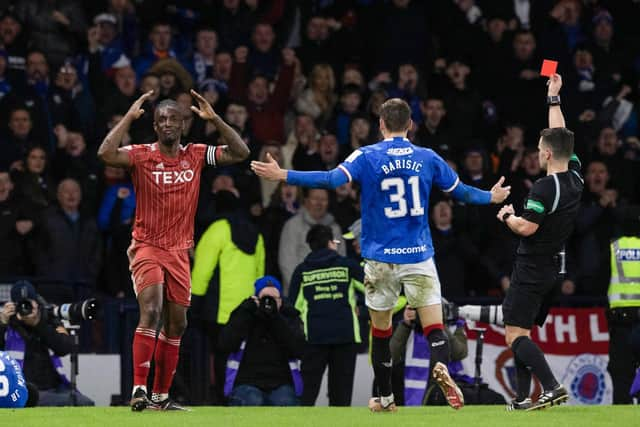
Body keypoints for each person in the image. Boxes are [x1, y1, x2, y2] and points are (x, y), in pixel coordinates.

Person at [252, 97, 510, 412]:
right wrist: (491, 196)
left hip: (380, 259)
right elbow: (462, 193)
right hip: (418, 254)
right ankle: (440, 366)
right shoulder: (427, 157)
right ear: (411, 125)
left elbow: (332, 179)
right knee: (434, 326)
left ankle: (386, 398)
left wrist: (284, 175)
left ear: (382, 125)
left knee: (382, 331)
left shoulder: (367, 155)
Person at [97, 88, 249, 411]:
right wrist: (127, 117)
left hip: (180, 251)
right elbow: (106, 153)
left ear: (183, 124)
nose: (167, 123)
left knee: (177, 324)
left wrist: (215, 119)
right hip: (147, 245)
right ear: (154, 126)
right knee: (150, 310)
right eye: (161, 119)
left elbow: (241, 153)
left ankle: (161, 397)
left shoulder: (195, 154)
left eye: (173, 119)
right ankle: (139, 389)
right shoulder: (141, 154)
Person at [496, 73, 583, 411]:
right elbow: (562, 137)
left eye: (538, 150)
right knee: (523, 332)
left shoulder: (544, 188)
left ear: (546, 155)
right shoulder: (575, 177)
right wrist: (554, 98)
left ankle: (551, 386)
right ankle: (520, 399)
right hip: (552, 268)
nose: (537, 153)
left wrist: (506, 216)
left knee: (515, 336)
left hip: (532, 266)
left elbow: (527, 228)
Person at [288, 225, 364, 406]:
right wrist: (362, 307)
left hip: (314, 338)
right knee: (341, 397)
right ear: (330, 243)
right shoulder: (347, 266)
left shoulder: (302, 271)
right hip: (345, 337)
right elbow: (373, 291)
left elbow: (293, 307)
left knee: (307, 395)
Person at [0, 281, 94, 406]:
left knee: (85, 403)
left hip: (54, 388)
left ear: (37, 303)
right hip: (23, 390)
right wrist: (2, 324)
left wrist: (38, 324)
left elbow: (65, 347)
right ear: (12, 306)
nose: (25, 308)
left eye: (29, 303)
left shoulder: (48, 319)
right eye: (21, 305)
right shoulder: (8, 324)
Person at [218, 276, 305, 406]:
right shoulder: (245, 313)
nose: (268, 303)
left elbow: (298, 349)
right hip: (246, 382)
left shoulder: (289, 316)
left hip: (281, 384)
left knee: (285, 402)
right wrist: (246, 311)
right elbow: (225, 343)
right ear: (256, 298)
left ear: (281, 301)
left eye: (273, 299)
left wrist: (276, 318)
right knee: (253, 400)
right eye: (265, 298)